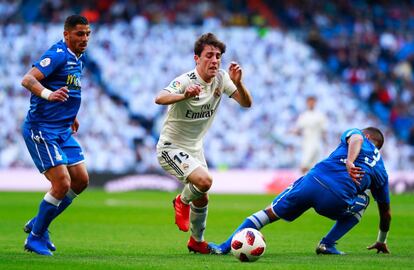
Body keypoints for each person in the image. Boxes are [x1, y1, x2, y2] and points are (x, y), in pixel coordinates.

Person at [209, 127, 391, 255]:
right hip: (336, 200)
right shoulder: (382, 171)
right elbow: (386, 213)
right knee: (364, 201)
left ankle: (224, 247)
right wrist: (381, 240)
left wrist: (350, 161)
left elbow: (356, 139)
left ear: (367, 136)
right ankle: (327, 244)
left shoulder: (358, 134)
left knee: (269, 212)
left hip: (312, 181)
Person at [155, 32, 253, 254]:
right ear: (196, 58)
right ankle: (181, 200)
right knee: (205, 181)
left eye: (218, 56)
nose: (215, 60)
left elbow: (246, 103)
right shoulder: (185, 80)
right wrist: (183, 96)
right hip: (171, 147)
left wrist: (239, 83)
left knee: (202, 195)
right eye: (209, 55)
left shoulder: (221, 78)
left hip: (195, 148)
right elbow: (159, 97)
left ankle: (196, 241)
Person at [21, 15, 91, 256]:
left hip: (62, 128)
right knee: (62, 183)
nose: (84, 38)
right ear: (66, 34)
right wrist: (49, 95)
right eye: (79, 34)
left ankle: (39, 222)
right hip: (42, 129)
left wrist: (71, 115)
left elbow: (69, 89)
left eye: (87, 34)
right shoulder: (59, 54)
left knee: (81, 181)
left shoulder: (78, 59)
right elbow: (28, 79)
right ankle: (36, 236)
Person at [293, 95, 328, 174]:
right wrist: (295, 132)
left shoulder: (320, 115)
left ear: (315, 103)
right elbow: (299, 130)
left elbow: (324, 131)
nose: (311, 103)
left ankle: (311, 184)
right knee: (304, 165)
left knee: (315, 166)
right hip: (307, 144)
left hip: (317, 143)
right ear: (307, 103)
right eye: (309, 102)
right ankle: (302, 183)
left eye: (313, 102)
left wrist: (325, 143)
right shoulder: (303, 116)